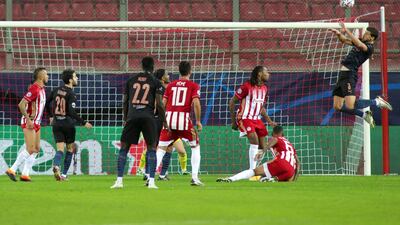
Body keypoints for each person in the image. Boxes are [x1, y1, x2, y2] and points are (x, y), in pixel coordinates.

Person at [111, 56, 167, 189]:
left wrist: (126, 118)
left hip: (133, 116)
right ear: (153, 67)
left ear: (141, 66)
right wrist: (164, 120)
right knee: (152, 148)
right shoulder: (155, 82)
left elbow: (125, 101)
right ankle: (152, 182)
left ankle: (119, 181)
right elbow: (159, 104)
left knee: (124, 148)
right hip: (148, 117)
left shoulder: (131, 80)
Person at [329, 22, 392, 127]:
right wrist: (339, 34)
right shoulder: (362, 41)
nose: (364, 34)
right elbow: (344, 40)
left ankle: (376, 101)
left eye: (366, 33)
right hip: (343, 75)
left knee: (350, 105)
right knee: (337, 106)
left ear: (372, 38)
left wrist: (347, 30)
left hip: (350, 74)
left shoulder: (369, 47)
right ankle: (363, 115)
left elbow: (358, 44)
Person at [158, 61, 203, 186]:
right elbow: (196, 104)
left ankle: (150, 178)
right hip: (183, 120)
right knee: (195, 146)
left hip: (169, 119)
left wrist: (162, 120)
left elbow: (162, 104)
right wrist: (198, 121)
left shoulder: (170, 86)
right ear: (190, 72)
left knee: (161, 148)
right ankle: (194, 178)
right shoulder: (193, 85)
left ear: (179, 71)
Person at [139, 69, 189, 180]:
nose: (168, 75)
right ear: (162, 77)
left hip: (167, 121)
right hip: (160, 122)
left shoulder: (166, 87)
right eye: (166, 74)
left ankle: (161, 174)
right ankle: (148, 173)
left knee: (170, 148)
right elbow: (159, 105)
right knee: (154, 147)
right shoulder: (159, 89)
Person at [229, 66, 277, 178]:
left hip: (257, 119)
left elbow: (261, 107)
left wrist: (269, 121)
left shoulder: (265, 88)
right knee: (254, 141)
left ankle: (256, 170)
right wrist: (233, 121)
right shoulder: (246, 86)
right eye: (266, 72)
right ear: (259, 74)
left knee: (262, 146)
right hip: (245, 117)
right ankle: (252, 173)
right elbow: (232, 102)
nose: (268, 74)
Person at [47, 69, 92, 181]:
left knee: (60, 149)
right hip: (68, 124)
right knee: (70, 148)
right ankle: (64, 175)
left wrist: (51, 116)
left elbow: (47, 103)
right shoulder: (71, 93)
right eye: (75, 77)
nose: (77, 79)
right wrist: (83, 122)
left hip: (57, 123)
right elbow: (71, 112)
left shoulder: (56, 90)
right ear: (71, 80)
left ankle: (56, 165)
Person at [6, 67, 49, 182]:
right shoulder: (34, 89)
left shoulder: (42, 89)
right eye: (46, 74)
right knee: (30, 148)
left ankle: (25, 174)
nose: (48, 76)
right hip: (29, 122)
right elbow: (21, 104)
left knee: (36, 149)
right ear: (40, 77)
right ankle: (12, 169)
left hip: (37, 122)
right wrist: (28, 119)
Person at [217, 126, 300, 183]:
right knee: (285, 178)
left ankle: (231, 179)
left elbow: (271, 142)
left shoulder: (276, 138)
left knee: (254, 171)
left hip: (281, 163)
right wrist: (295, 177)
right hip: (291, 170)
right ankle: (273, 179)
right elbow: (298, 161)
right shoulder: (290, 144)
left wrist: (262, 152)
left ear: (274, 133)